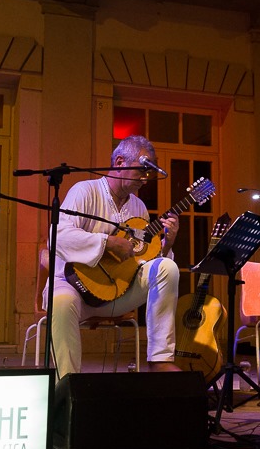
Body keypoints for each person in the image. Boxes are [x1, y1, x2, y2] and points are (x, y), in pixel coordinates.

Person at [46, 135, 181, 377]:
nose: (146, 178)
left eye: (149, 172)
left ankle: (160, 358)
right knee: (61, 303)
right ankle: (67, 385)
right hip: (73, 287)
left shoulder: (138, 206)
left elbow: (141, 260)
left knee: (167, 267)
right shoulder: (85, 191)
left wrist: (166, 245)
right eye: (142, 170)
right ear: (120, 161)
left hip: (117, 292)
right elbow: (58, 236)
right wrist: (107, 243)